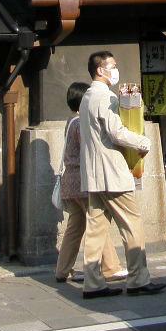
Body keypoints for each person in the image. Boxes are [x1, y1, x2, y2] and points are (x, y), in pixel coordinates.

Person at [78, 51, 166, 299]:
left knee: (95, 229)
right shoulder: (105, 97)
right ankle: (138, 279)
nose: (116, 70)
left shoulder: (87, 97)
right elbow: (116, 132)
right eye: (112, 66)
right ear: (100, 70)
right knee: (132, 224)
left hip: (94, 174)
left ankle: (92, 283)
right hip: (113, 173)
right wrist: (143, 142)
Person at [54, 81, 125, 285]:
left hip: (70, 183)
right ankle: (111, 267)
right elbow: (89, 150)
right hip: (82, 182)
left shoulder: (70, 122)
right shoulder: (80, 123)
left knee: (75, 228)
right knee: (98, 223)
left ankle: (62, 269)